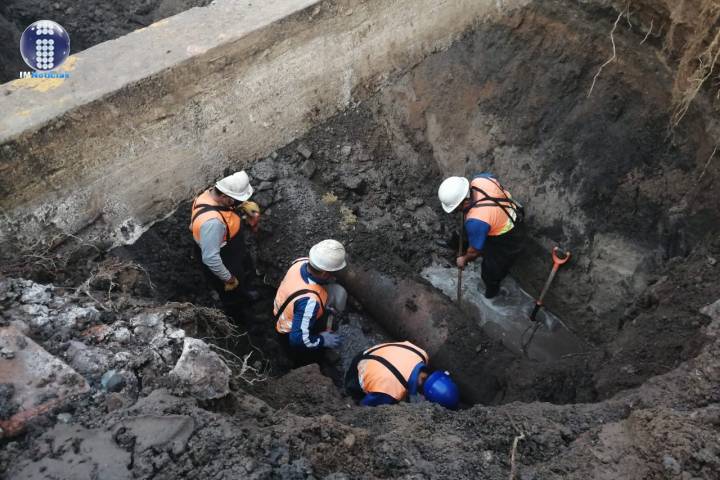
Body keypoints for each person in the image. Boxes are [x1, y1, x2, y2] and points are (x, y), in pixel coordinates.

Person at [437, 173, 524, 299]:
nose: (456, 211)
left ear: (465, 202)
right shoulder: (480, 179)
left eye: (456, 208)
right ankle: (454, 244)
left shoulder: (476, 221)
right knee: (464, 232)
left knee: (491, 271)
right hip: (501, 213)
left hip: (509, 237)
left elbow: (474, 252)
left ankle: (492, 291)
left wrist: (464, 259)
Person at [189, 171, 261, 307]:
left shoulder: (209, 194)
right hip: (223, 257)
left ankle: (245, 288)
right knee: (232, 291)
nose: (240, 202)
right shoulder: (213, 223)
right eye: (237, 200)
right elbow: (210, 258)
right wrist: (228, 279)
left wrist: (243, 205)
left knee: (245, 268)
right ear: (225, 197)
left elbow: (222, 206)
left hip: (228, 245)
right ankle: (238, 309)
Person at [273, 239, 348, 366]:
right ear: (324, 273)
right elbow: (298, 339)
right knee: (305, 358)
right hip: (288, 333)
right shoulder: (309, 302)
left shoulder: (299, 262)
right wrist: (322, 340)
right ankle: (303, 367)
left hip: (283, 312)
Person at [344, 341, 459, 409]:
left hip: (373, 353)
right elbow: (365, 408)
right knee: (354, 394)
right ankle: (349, 393)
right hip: (360, 368)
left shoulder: (421, 354)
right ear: (424, 396)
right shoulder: (390, 391)